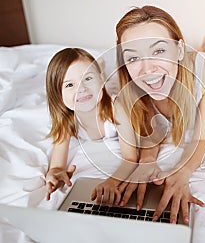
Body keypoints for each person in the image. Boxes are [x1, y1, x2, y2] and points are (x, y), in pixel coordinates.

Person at [113, 5, 205, 224]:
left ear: (179, 49)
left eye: (158, 51)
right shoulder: (132, 83)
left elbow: (203, 137)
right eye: (133, 58)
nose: (147, 70)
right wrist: (147, 159)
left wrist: (181, 173)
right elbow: (151, 127)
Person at [45, 48, 138, 206]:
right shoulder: (67, 118)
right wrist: (55, 173)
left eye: (87, 79)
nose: (81, 89)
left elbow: (130, 158)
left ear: (101, 80)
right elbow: (57, 165)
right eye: (69, 85)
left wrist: (112, 182)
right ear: (57, 95)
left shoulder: (117, 108)